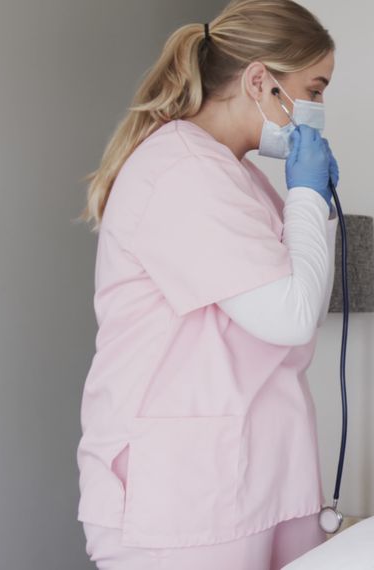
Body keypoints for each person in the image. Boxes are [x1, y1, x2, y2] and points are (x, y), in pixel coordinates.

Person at [76, 1, 340, 568]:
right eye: (315, 89)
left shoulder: (232, 173)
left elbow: (302, 300)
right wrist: (309, 197)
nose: (319, 108)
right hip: (187, 491)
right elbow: (292, 314)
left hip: (255, 475)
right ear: (258, 81)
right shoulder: (182, 173)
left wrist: (312, 205)